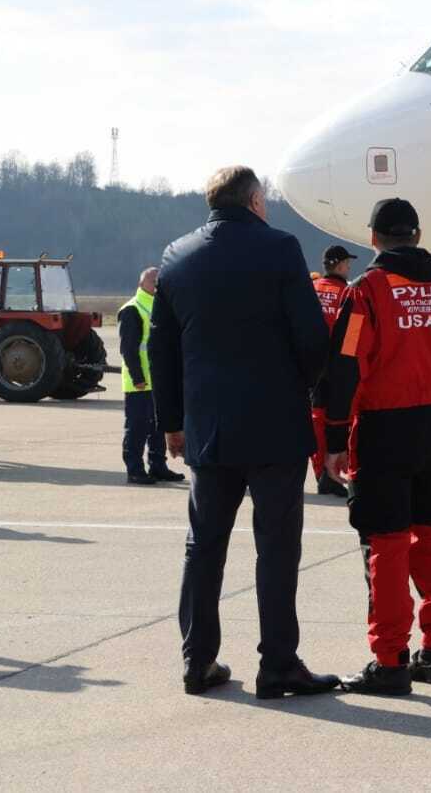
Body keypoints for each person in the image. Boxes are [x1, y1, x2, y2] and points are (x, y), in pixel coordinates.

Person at [148, 165, 338, 699]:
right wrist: (301, 385)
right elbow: (311, 337)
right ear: (255, 201)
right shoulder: (279, 248)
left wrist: (172, 422)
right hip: (275, 425)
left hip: (208, 428)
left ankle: (197, 661)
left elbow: (160, 349)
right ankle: (277, 665)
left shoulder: (176, 255)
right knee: (276, 549)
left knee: (203, 547)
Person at [319, 198, 431, 696]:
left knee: (387, 547)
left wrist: (332, 437)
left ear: (373, 238)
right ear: (416, 234)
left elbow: (345, 366)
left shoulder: (366, 290)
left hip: (382, 431)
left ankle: (389, 662)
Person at [119, 266, 182, 485]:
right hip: (139, 383)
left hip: (158, 381)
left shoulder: (161, 307)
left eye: (158, 280)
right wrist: (137, 377)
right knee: (137, 427)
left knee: (158, 428)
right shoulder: (132, 309)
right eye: (151, 280)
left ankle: (158, 466)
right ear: (141, 284)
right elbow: (129, 349)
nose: (155, 284)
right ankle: (135, 470)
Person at [310, 245, 358, 497]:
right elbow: (352, 338)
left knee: (317, 421)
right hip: (340, 369)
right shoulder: (350, 294)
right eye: (348, 264)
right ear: (340, 266)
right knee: (341, 422)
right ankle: (337, 473)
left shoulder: (310, 289)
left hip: (311, 370)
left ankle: (320, 474)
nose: (349, 268)